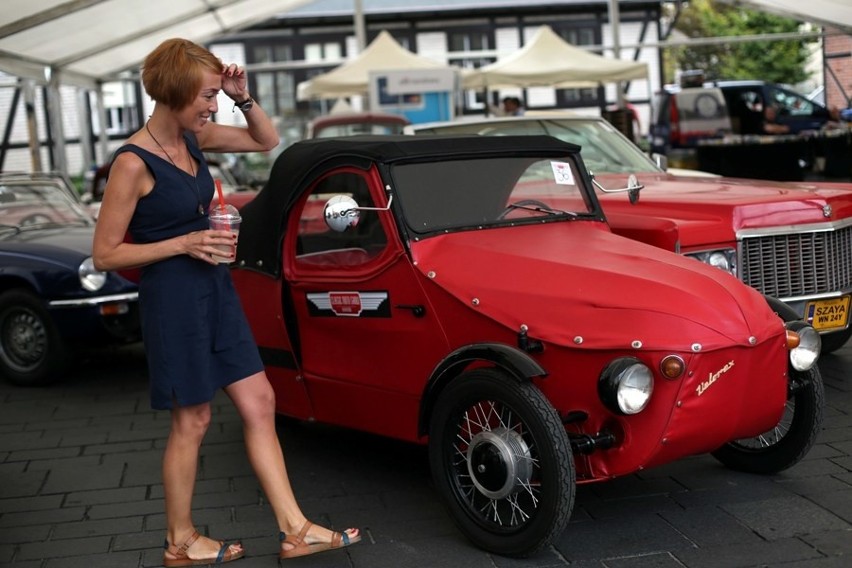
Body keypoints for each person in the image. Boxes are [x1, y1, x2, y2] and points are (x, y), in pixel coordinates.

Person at [92, 38, 360, 566]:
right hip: (172, 299)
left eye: (216, 95)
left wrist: (243, 96)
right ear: (173, 93)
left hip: (215, 289)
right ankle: (180, 540)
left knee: (260, 401)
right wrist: (184, 242)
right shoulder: (132, 162)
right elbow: (105, 254)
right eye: (207, 95)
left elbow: (267, 141)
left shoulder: (195, 138)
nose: (212, 105)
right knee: (192, 420)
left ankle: (295, 528)